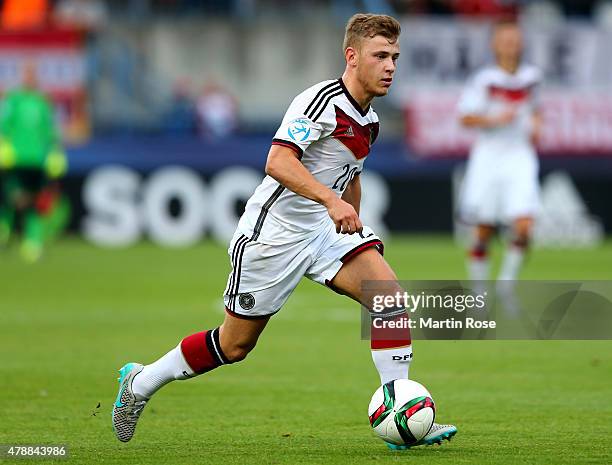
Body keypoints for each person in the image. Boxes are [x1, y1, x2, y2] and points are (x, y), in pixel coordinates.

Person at [112, 14, 457, 448]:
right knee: (234, 346)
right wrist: (330, 201)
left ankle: (400, 415)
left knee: (387, 295)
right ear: (352, 57)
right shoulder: (319, 103)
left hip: (322, 232)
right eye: (381, 56)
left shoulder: (370, 118)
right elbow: (277, 161)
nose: (390, 66)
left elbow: (350, 173)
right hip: (272, 236)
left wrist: (356, 225)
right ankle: (140, 383)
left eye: (395, 57)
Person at [457, 18, 542, 293]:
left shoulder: (532, 77)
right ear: (495, 45)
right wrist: (494, 119)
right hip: (488, 158)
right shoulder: (484, 79)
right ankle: (479, 291)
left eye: (515, 40)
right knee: (482, 229)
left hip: (520, 156)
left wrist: (538, 125)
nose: (511, 46)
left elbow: (537, 110)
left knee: (525, 225)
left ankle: (506, 286)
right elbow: (465, 118)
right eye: (506, 40)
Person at [0, 61, 67, 262]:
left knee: (37, 203)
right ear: (22, 77)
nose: (30, 77)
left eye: (33, 74)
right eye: (27, 73)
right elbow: (4, 126)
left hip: (38, 160)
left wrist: (55, 153)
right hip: (16, 159)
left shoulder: (43, 102)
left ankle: (32, 242)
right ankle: (4, 233)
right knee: (10, 200)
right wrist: (4, 147)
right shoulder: (13, 100)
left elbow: (50, 131)